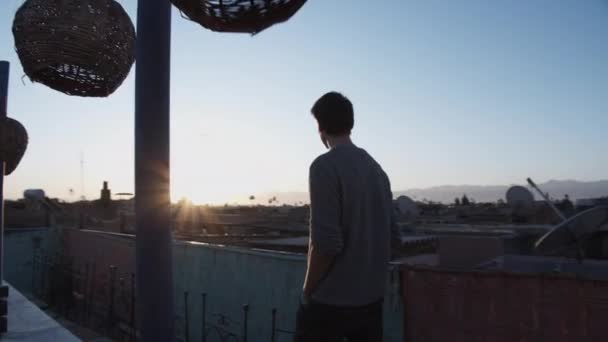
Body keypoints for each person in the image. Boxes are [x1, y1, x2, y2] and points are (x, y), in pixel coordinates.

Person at [295, 92, 401, 341]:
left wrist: (307, 291)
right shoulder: (377, 170)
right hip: (371, 303)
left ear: (320, 127)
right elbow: (394, 239)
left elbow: (326, 244)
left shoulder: (323, 166)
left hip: (330, 305)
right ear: (350, 124)